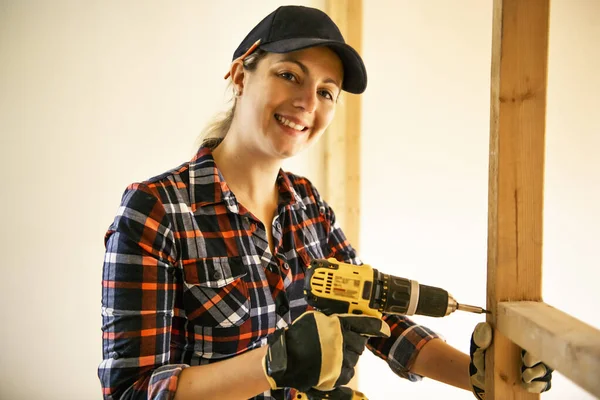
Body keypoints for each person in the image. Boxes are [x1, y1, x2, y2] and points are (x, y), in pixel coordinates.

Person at [98, 5, 553, 400]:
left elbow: (376, 318)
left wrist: (481, 376)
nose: (306, 102)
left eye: (326, 91)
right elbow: (133, 391)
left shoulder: (308, 206)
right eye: (289, 75)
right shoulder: (157, 210)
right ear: (240, 75)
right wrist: (273, 364)